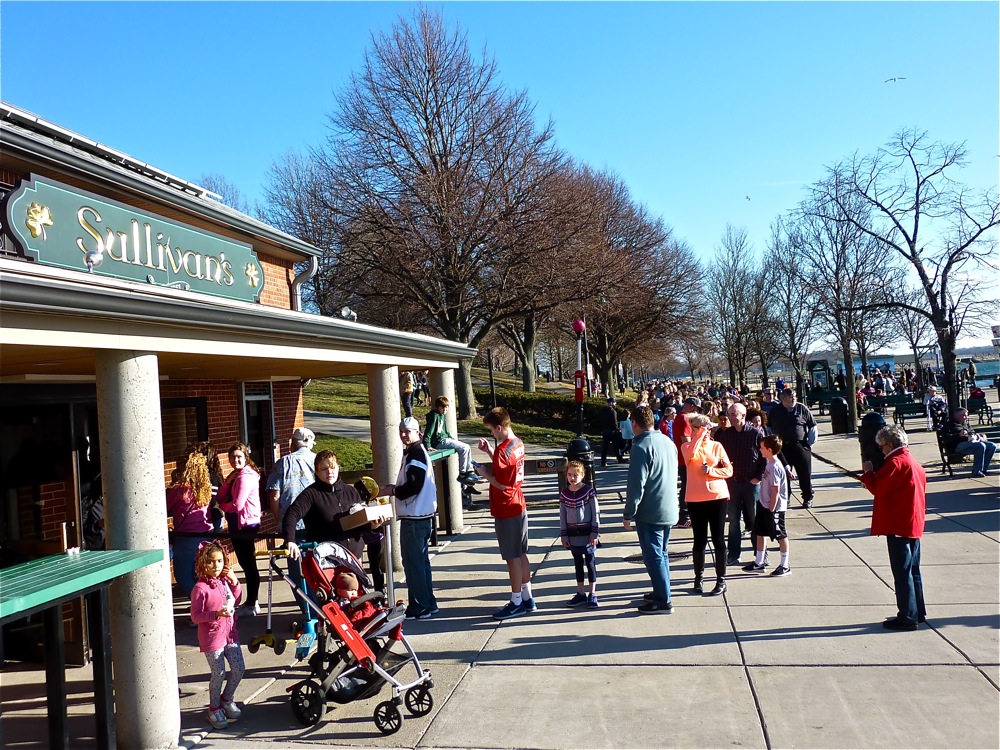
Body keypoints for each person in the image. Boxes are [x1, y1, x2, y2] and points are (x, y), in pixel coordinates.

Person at [860, 425, 927, 630]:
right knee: (913, 569)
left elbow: (879, 489)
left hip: (899, 522)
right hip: (911, 521)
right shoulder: (911, 461)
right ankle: (916, 611)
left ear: (889, 445)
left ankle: (907, 616)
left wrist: (868, 473)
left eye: (882, 447)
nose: (881, 450)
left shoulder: (896, 463)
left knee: (902, 571)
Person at [474, 407, 534, 620]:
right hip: (518, 502)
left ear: (499, 427)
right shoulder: (517, 444)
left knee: (512, 557)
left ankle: (516, 600)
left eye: (492, 430)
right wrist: (491, 451)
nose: (492, 433)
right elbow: (506, 471)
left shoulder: (503, 450)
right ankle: (527, 596)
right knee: (521, 552)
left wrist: (483, 474)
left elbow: (500, 483)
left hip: (506, 506)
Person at [623, 406, 679, 614]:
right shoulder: (667, 441)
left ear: (634, 424)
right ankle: (660, 591)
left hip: (650, 510)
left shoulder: (640, 448)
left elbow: (636, 485)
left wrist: (629, 512)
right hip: (669, 507)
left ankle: (664, 599)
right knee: (661, 553)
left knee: (653, 555)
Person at [382, 417, 439, 620]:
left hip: (415, 517)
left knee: (413, 564)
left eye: (408, 431)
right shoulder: (416, 452)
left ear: (418, 432)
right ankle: (428, 603)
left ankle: (420, 606)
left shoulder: (416, 453)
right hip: (421, 516)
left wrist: (393, 490)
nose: (404, 434)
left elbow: (413, 486)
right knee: (421, 563)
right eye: (401, 431)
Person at [283, 450, 382, 564]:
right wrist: (290, 540)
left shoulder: (352, 492)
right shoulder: (311, 494)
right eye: (324, 469)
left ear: (338, 468)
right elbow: (292, 514)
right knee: (348, 582)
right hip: (327, 559)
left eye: (332, 467)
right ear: (316, 472)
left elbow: (359, 524)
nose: (329, 472)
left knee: (355, 581)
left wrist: (374, 525)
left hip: (354, 558)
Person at [190, 540, 245, 730]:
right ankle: (214, 708)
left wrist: (235, 581)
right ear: (203, 563)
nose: (216, 566)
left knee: (239, 668)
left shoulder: (223, 582)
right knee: (219, 673)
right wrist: (215, 615)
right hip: (212, 638)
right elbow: (195, 616)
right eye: (211, 562)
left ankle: (226, 699)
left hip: (230, 633)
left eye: (220, 561)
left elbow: (236, 599)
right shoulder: (200, 588)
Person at [680, 414, 734, 596]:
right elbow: (691, 455)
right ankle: (698, 577)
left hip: (717, 496)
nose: (703, 432)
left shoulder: (717, 446)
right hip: (695, 499)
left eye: (705, 429)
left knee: (718, 539)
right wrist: (699, 434)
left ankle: (721, 579)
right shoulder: (686, 446)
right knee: (699, 540)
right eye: (697, 428)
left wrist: (712, 471)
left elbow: (729, 470)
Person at [266, 427, 316, 614]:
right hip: (316, 525)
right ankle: (321, 613)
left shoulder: (282, 463)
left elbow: (274, 495)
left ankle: (307, 614)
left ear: (292, 443)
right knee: (317, 570)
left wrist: (280, 520)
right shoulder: (320, 461)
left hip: (292, 527)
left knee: (297, 574)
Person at [716, 403, 766, 567]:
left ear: (743, 416)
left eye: (733, 414)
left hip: (751, 484)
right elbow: (718, 458)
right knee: (734, 521)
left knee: (754, 520)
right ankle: (733, 554)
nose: (730, 417)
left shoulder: (755, 433)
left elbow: (764, 457)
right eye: (729, 414)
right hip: (732, 484)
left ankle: (760, 554)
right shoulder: (725, 435)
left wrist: (758, 477)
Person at [217, 443, 262, 617]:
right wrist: (228, 482)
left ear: (245, 458)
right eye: (233, 457)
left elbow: (237, 504)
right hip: (237, 524)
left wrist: (222, 506)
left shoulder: (246, 476)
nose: (236, 460)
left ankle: (252, 603)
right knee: (246, 563)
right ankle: (251, 602)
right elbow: (220, 496)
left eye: (239, 457)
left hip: (246, 524)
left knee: (248, 564)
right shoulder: (237, 476)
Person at [166, 452, 215, 597]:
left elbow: (163, 506)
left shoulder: (180, 489)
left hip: (186, 538)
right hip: (206, 536)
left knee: (183, 576)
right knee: (201, 575)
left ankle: (200, 604)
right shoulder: (205, 489)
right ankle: (209, 604)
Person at [745, 435, 791, 576]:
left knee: (780, 534)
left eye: (762, 447)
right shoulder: (768, 463)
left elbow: (775, 489)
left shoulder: (775, 466)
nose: (760, 449)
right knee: (760, 532)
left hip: (774, 507)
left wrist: (771, 508)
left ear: (769, 450)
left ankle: (785, 565)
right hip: (764, 504)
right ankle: (759, 562)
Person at [559, 460, 601, 608]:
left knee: (590, 563)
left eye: (576, 475)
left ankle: (592, 594)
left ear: (582, 475)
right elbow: (562, 515)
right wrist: (564, 535)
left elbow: (596, 512)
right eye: (570, 474)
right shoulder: (564, 494)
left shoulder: (588, 491)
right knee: (578, 564)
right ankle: (580, 593)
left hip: (588, 535)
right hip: (572, 535)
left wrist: (594, 533)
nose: (572, 478)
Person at [767, 389, 818, 508]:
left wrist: (808, 444)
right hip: (782, 447)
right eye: (790, 397)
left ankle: (807, 497)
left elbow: (812, 426)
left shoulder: (802, 408)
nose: (793, 399)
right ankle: (786, 497)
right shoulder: (775, 411)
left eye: (794, 396)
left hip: (800, 446)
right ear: (783, 399)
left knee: (805, 473)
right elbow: (769, 428)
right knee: (784, 474)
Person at [423, 396, 478, 486]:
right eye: (443, 407)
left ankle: (470, 471)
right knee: (465, 448)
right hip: (439, 441)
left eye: (446, 407)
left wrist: (452, 439)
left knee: (466, 447)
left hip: (445, 439)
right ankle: (463, 474)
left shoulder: (442, 416)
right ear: (438, 407)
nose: (445, 409)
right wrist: (428, 445)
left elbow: (446, 431)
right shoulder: (434, 416)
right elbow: (429, 432)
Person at [942, 408, 997, 478]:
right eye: (964, 415)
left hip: (970, 443)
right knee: (980, 446)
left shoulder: (965, 424)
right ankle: (976, 470)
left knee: (992, 445)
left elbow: (972, 432)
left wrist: (978, 436)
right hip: (957, 446)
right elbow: (946, 438)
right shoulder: (950, 424)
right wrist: (958, 435)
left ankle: (984, 469)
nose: (966, 417)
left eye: (966, 415)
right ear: (957, 416)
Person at [671, 397, 700, 528]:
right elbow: (686, 441)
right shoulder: (684, 418)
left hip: (683, 459)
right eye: (697, 410)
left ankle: (685, 515)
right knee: (688, 487)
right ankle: (684, 516)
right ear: (692, 407)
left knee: (686, 486)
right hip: (685, 460)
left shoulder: (680, 417)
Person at [599, 397, 624, 466]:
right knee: (616, 445)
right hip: (612, 431)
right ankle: (619, 458)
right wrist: (617, 429)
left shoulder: (602, 410)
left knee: (605, 446)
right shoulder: (613, 411)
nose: (615, 404)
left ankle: (603, 461)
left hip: (605, 430)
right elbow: (614, 422)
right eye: (614, 402)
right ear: (611, 403)